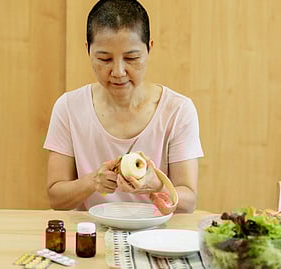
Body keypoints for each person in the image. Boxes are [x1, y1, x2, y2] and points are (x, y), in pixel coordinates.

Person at [43, 0, 203, 213]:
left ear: (149, 49)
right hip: (91, 237)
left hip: (155, 237)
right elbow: (56, 198)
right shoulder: (69, 108)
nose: (118, 71)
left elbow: (188, 201)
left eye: (131, 58)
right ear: (88, 51)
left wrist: (155, 185)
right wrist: (92, 182)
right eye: (104, 59)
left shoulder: (178, 110)